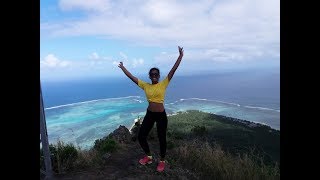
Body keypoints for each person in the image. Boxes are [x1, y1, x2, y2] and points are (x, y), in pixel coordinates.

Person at [118, 46, 184, 172]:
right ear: (149, 76)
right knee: (141, 136)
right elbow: (131, 77)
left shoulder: (163, 84)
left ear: (158, 76)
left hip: (161, 115)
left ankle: (162, 161)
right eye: (152, 74)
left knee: (162, 138)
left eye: (156, 74)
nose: (154, 75)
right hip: (150, 114)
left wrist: (180, 56)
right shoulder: (145, 85)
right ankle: (149, 156)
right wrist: (122, 67)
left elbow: (173, 69)